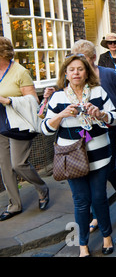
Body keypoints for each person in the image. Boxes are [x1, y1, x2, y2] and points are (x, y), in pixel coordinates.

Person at [41, 54, 116, 256]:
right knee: (81, 200)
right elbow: (45, 129)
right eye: (71, 69)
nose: (76, 72)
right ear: (65, 74)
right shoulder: (58, 97)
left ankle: (106, 236)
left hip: (99, 154)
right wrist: (61, 115)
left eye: (80, 69)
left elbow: (115, 118)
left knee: (99, 197)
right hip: (71, 157)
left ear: (87, 73)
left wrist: (100, 114)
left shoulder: (98, 91)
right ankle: (83, 244)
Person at [70, 40, 116, 232]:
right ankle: (96, 214)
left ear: (93, 58)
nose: (78, 66)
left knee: (109, 171)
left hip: (108, 130)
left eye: (83, 59)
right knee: (87, 171)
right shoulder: (75, 77)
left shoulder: (107, 74)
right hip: (84, 133)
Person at [0, 37, 50, 221]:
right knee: (5, 167)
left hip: (18, 124)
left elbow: (33, 102)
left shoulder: (20, 72)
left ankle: (42, 188)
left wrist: (9, 101)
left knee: (18, 164)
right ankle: (14, 205)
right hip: (1, 123)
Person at [98, 33, 116, 158]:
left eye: (115, 42)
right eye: (110, 43)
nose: (113, 45)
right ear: (107, 45)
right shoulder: (103, 57)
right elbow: (100, 73)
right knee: (108, 119)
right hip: (108, 91)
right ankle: (111, 146)